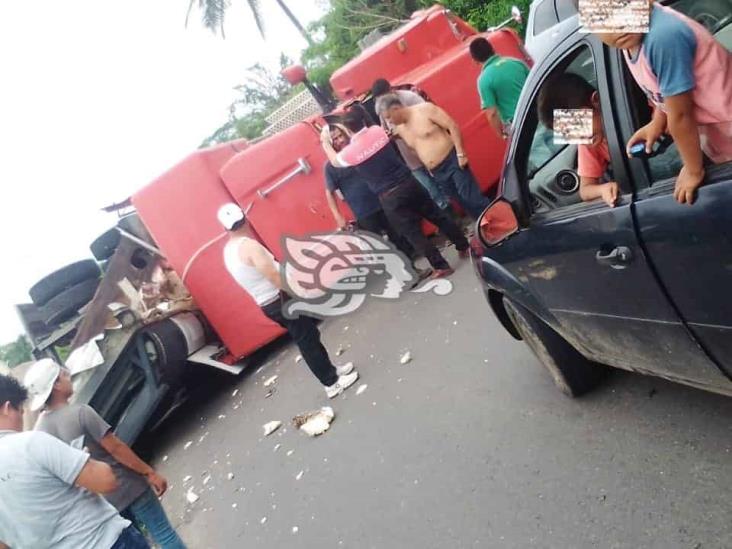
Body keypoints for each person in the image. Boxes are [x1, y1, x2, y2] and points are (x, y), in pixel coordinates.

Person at [23, 359, 185, 549]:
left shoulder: (40, 434)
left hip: (103, 503)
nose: (69, 376)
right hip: (129, 486)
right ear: (56, 385)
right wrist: (149, 473)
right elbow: (116, 448)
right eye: (64, 375)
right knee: (164, 535)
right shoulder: (81, 413)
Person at [583, 0, 732, 204]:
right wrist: (658, 121)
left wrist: (692, 169)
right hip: (719, 131)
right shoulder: (630, 40)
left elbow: (681, 115)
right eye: (601, 19)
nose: (616, 24)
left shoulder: (663, 37)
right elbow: (665, 90)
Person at [217, 203, 359, 399]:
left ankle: (331, 370)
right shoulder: (249, 247)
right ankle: (331, 383)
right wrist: (298, 293)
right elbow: (273, 276)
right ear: (245, 219)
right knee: (307, 340)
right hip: (280, 298)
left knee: (309, 334)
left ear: (225, 227)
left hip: (268, 302)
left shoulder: (228, 251)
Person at [0, 374, 149, 549]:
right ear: (7, 408)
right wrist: (79, 460)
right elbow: (106, 481)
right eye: (21, 411)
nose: (22, 419)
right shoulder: (30, 444)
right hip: (103, 541)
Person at [321, 107, 470, 277]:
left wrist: (325, 142)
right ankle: (464, 247)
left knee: (413, 233)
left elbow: (334, 160)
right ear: (363, 121)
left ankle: (442, 266)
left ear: (348, 129)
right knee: (437, 215)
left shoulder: (350, 153)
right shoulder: (377, 132)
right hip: (409, 182)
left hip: (389, 196)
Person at [379, 95, 491, 219]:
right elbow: (413, 147)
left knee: (470, 196)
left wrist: (460, 153)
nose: (389, 122)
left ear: (396, 109)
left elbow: (451, 125)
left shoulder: (425, 110)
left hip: (452, 159)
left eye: (389, 117)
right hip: (436, 170)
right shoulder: (400, 130)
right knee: (460, 201)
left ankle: (499, 219)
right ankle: (484, 227)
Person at [324, 124, 416, 259]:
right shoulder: (331, 166)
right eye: (335, 139)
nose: (340, 140)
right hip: (363, 211)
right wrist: (338, 216)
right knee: (379, 246)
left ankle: (412, 270)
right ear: (330, 144)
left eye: (340, 135)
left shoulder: (359, 149)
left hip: (382, 199)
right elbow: (329, 193)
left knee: (398, 236)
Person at [537, 73, 619, 208]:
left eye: (577, 124)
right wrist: (602, 189)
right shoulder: (588, 142)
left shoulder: (629, 111)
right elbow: (585, 190)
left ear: (596, 100)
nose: (579, 135)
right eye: (567, 133)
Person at [371, 78, 452, 212]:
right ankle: (451, 216)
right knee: (430, 189)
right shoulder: (382, 109)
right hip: (410, 157)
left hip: (431, 150)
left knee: (445, 184)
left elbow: (431, 115)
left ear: (391, 90)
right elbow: (385, 129)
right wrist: (390, 135)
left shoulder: (410, 97)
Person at [469, 37, 530, 137]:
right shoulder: (516, 62)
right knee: (564, 145)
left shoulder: (484, 80)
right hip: (545, 113)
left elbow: (492, 113)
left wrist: (501, 134)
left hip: (521, 124)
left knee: (540, 152)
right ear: (492, 49)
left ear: (475, 61)